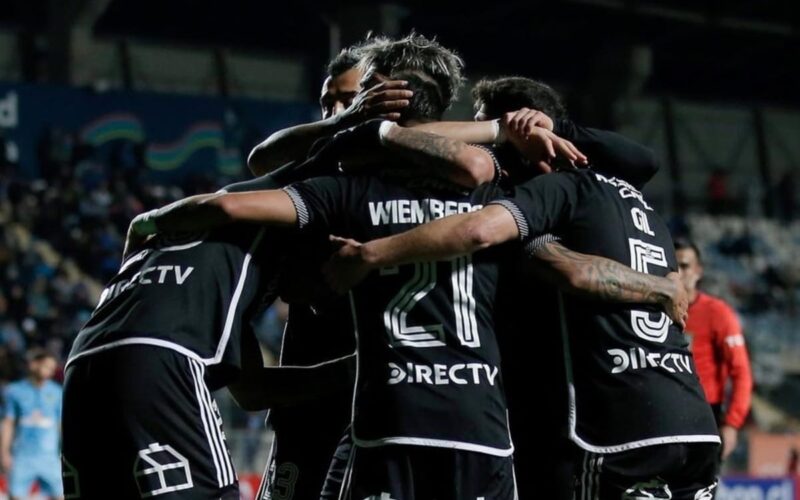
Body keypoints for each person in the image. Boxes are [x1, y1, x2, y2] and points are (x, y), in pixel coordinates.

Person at [323, 162, 721, 499]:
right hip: (695, 422)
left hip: (619, 430)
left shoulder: (546, 203)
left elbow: (497, 238)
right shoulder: (640, 208)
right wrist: (662, 287)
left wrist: (368, 253)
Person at [674, 238, 753, 462]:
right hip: (662, 414)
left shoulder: (718, 313)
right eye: (672, 266)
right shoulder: (651, 313)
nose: (678, 273)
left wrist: (732, 424)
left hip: (704, 416)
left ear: (698, 271)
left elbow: (741, 372)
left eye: (685, 265)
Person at [1, 348, 63, 500]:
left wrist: (64, 453)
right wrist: (4, 453)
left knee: (61, 496)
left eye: (52, 368)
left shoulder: (57, 392)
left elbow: (60, 424)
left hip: (49, 457)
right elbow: (8, 423)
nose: (49, 371)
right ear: (33, 365)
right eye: (46, 366)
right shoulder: (13, 391)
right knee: (16, 496)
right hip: (22, 456)